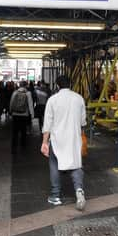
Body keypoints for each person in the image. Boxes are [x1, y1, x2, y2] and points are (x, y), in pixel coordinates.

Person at [41, 75, 87, 210]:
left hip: (57, 139)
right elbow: (83, 121)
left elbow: (47, 124)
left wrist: (44, 142)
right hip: (73, 139)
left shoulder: (52, 100)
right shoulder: (79, 99)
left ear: (57, 86)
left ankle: (55, 196)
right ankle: (79, 190)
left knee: (54, 165)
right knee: (76, 165)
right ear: (70, 85)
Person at [9, 80, 34, 154]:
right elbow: (30, 104)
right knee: (23, 132)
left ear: (19, 85)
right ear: (26, 85)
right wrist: (32, 115)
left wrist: (10, 111)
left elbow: (11, 103)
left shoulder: (15, 92)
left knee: (15, 132)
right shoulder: (28, 93)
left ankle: (14, 148)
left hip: (15, 115)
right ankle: (23, 147)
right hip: (24, 115)